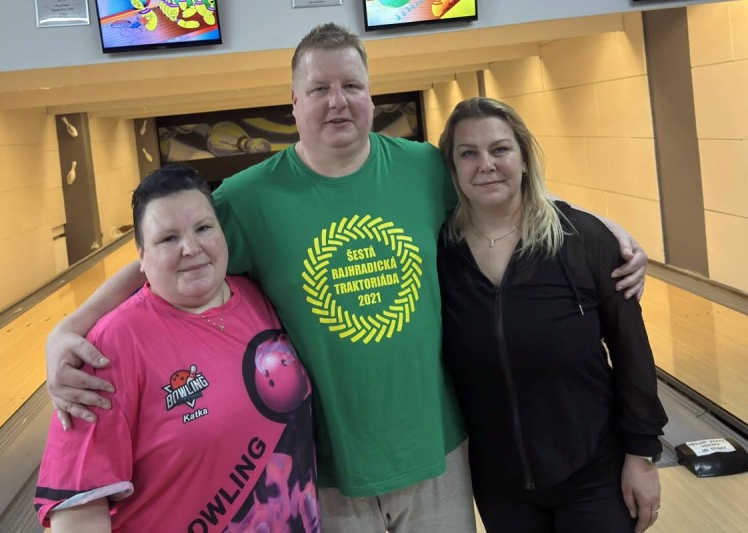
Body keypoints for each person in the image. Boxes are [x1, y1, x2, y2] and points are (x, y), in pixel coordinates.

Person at [44, 23, 648, 532]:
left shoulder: (422, 167)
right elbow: (172, 251)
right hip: (327, 471)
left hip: (439, 454)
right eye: (320, 89)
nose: (337, 101)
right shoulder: (250, 198)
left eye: (351, 86)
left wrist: (605, 229)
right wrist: (71, 326)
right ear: (294, 102)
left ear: (370, 96)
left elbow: (501, 193)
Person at [34, 164, 319, 532]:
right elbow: (77, 510)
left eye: (203, 228)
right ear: (141, 254)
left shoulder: (256, 296)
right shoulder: (109, 346)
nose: (191, 248)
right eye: (168, 238)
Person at [437, 97, 668, 533]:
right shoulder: (440, 255)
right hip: (499, 483)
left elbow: (632, 351)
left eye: (500, 149)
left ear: (524, 158)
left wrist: (642, 455)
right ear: (452, 168)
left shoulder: (584, 239)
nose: (486, 164)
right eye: (468, 153)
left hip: (594, 471)